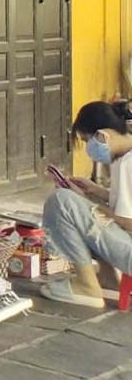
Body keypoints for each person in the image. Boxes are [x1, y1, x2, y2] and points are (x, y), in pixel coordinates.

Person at [39, 100, 132, 309]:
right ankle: (107, 280)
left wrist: (92, 207)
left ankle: (86, 285)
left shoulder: (128, 162)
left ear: (103, 135)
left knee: (61, 202)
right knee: (79, 208)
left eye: (87, 140)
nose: (89, 148)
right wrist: (95, 192)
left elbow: (127, 220)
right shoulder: (122, 158)